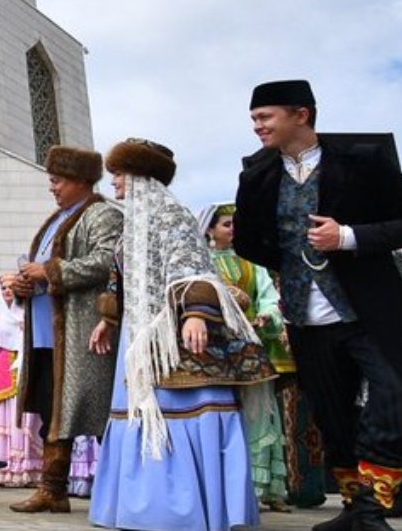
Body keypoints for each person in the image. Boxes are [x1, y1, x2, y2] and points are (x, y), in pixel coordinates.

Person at [232, 80, 402, 531]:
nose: (257, 127)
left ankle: (369, 507)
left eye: (265, 117)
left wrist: (347, 237)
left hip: (370, 309)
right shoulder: (256, 175)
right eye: (254, 119)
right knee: (333, 415)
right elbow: (247, 239)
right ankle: (358, 514)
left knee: (398, 390)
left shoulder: (363, 162)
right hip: (306, 316)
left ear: (301, 114)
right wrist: (288, 260)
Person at [88, 139, 269, 531]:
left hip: (172, 336)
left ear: (140, 175)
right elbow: (123, 280)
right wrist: (109, 318)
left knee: (182, 411)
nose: (114, 181)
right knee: (139, 411)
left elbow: (190, 267)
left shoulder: (172, 214)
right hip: (139, 340)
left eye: (119, 173)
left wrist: (196, 314)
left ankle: (182, 509)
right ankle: (143, 506)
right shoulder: (132, 224)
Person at [1, 145, 121, 514]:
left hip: (81, 328)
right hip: (45, 330)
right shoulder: (58, 217)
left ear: (81, 180)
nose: (51, 188)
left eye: (57, 180)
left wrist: (50, 271)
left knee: (95, 408)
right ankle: (53, 488)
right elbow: (42, 270)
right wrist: (24, 284)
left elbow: (106, 262)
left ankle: (123, 485)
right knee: (53, 408)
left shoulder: (102, 214)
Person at [202, 201, 292, 513]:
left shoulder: (252, 262)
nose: (233, 229)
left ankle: (266, 488)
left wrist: (268, 316)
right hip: (216, 349)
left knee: (260, 413)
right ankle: (233, 487)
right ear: (210, 229)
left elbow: (269, 297)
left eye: (236, 224)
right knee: (226, 415)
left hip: (251, 345)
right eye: (227, 224)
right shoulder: (201, 262)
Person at [0, 284, 42, 488]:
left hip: (29, 371)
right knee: (4, 419)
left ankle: (29, 469)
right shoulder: (0, 317)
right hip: (3, 375)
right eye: (3, 287)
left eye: (11, 287)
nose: (7, 291)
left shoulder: (33, 314)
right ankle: (4, 470)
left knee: (28, 421)